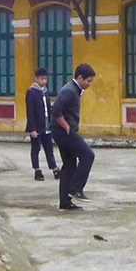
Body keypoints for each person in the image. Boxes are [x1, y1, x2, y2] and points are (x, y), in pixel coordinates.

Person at [52, 63, 97, 211]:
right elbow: (56, 109)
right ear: (79, 77)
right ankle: (76, 188)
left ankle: (65, 202)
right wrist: (66, 127)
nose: (89, 84)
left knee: (69, 165)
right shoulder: (70, 90)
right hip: (62, 131)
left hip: (61, 131)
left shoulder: (74, 90)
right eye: (88, 81)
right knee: (88, 155)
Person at [24, 67, 58, 182]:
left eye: (45, 79)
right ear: (36, 78)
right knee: (36, 148)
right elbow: (30, 111)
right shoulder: (31, 92)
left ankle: (54, 168)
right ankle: (37, 170)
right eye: (42, 79)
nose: (44, 81)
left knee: (49, 148)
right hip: (36, 127)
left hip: (47, 125)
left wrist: (52, 123)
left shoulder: (45, 91)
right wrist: (32, 129)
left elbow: (48, 108)